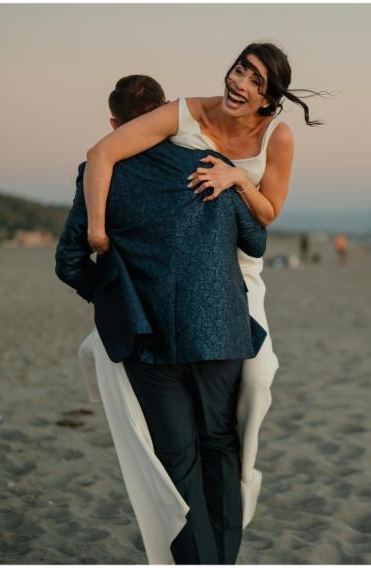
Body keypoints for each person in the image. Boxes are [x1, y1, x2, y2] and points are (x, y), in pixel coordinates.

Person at [80, 41, 323, 560]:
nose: (240, 83)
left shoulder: (277, 136)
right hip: (172, 269)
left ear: (269, 98)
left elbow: (269, 213)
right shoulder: (184, 112)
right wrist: (98, 230)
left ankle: (236, 492)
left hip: (236, 270)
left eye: (256, 81)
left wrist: (235, 177)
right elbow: (104, 154)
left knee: (257, 380)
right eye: (240, 70)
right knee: (127, 376)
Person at [55, 74, 268, 564]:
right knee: (220, 445)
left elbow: (70, 262)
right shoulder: (209, 163)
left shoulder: (99, 173)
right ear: (166, 114)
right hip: (220, 331)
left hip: (147, 339)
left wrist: (117, 298)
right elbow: (255, 242)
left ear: (114, 124)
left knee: (177, 459)